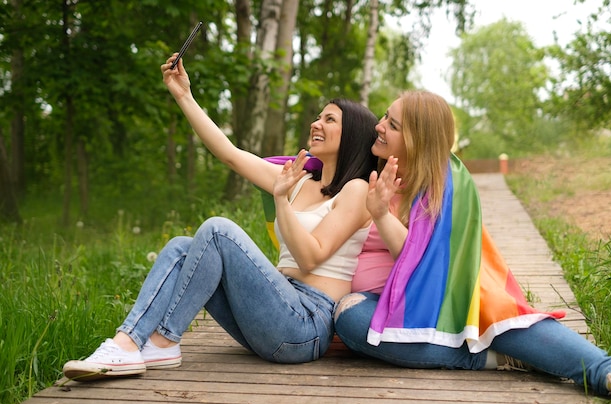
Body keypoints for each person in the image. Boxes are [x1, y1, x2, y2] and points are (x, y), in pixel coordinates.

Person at [62, 53, 379, 381]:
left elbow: (310, 258)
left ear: (352, 135)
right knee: (182, 247)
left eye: (329, 120)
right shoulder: (298, 180)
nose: (316, 123)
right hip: (272, 312)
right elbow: (229, 154)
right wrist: (183, 94)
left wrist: (280, 199)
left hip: (305, 326)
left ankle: (162, 338)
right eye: (318, 117)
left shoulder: (355, 190)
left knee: (218, 230)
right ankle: (130, 342)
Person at [333, 90, 611, 397]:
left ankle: (606, 371)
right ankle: (486, 357)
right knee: (351, 317)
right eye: (384, 116)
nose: (379, 126)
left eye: (393, 125)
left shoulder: (444, 184)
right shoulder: (373, 168)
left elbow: (419, 260)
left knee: (503, 322)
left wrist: (381, 214)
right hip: (396, 304)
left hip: (459, 293)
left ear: (417, 141)